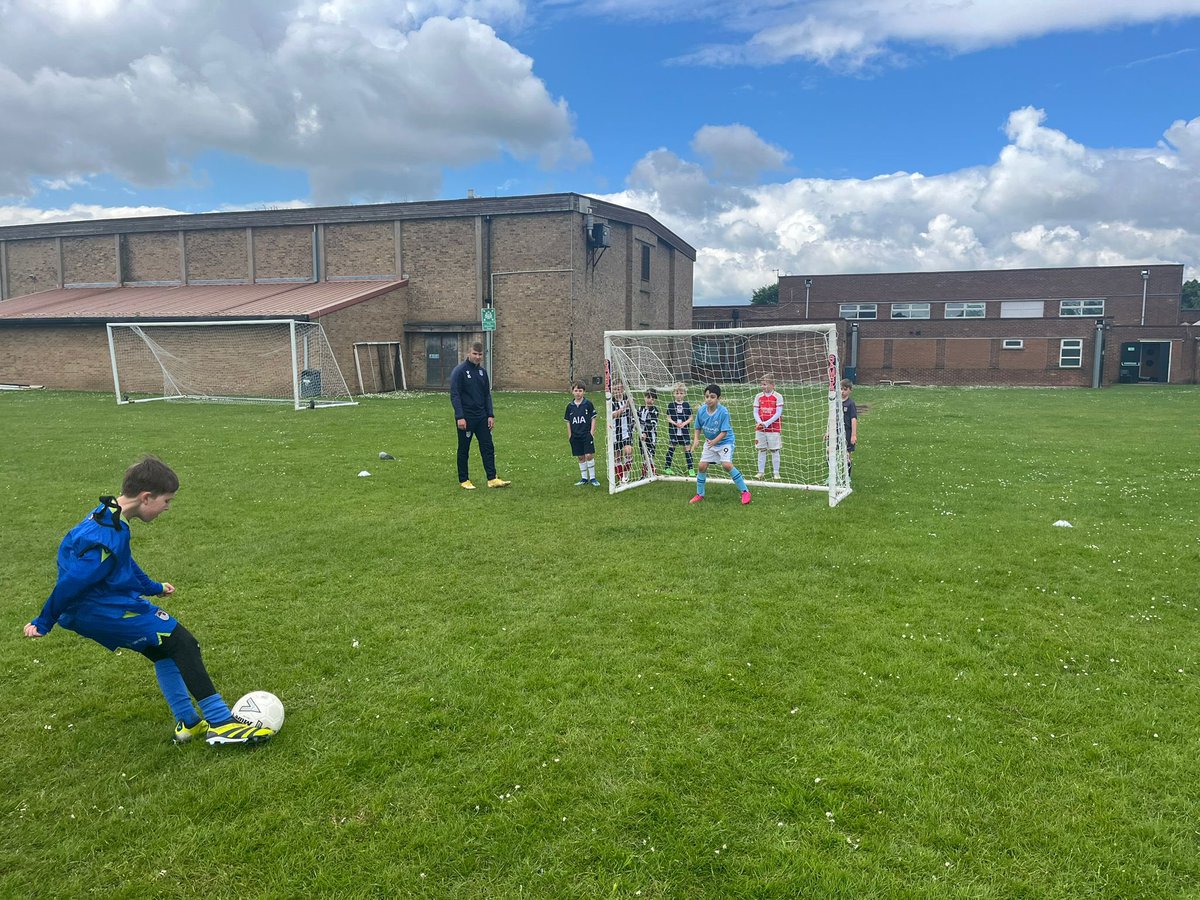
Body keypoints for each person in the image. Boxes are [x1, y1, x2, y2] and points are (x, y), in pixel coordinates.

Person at [22, 456, 273, 746]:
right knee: (182, 642)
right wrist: (44, 621)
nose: (168, 507)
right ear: (146, 497)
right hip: (99, 610)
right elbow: (73, 581)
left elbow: (123, 564)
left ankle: (190, 723)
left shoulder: (109, 513)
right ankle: (222, 723)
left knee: (163, 651)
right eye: (167, 501)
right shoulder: (108, 534)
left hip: (103, 603)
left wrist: (153, 587)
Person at [450, 342, 510, 489]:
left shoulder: (483, 372)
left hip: (482, 417)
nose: (477, 357)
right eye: (475, 354)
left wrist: (490, 415)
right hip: (466, 418)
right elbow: (455, 395)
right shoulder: (459, 371)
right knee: (464, 449)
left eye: (480, 354)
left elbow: (486, 395)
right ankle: (464, 480)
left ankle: (492, 478)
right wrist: (460, 417)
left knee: (488, 447)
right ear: (468, 353)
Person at [690, 384, 751, 505]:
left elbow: (724, 432)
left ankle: (745, 491)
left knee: (727, 465)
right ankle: (699, 494)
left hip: (724, 442)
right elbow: (697, 427)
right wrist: (696, 440)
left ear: (719, 398)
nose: (709, 399)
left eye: (712, 397)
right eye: (707, 396)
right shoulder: (702, 410)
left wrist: (714, 442)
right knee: (702, 466)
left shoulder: (723, 412)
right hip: (710, 442)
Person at [565, 381, 600, 486]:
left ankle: (593, 478)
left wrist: (591, 432)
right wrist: (570, 435)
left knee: (589, 455)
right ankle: (584, 478)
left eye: (580, 391)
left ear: (584, 392)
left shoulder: (588, 404)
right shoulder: (570, 406)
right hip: (575, 435)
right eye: (576, 390)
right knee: (580, 456)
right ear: (572, 392)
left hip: (586, 434)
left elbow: (593, 418)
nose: (578, 393)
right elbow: (568, 422)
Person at [753, 375, 784, 479]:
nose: (763, 386)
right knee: (761, 449)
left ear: (772, 385)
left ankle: (776, 473)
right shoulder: (758, 396)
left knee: (775, 450)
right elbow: (755, 412)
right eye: (762, 384)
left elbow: (778, 413)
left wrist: (766, 423)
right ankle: (760, 472)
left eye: (765, 384)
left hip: (773, 428)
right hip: (760, 427)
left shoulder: (778, 396)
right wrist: (760, 422)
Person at [663, 383, 695, 476]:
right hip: (674, 430)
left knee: (687, 448)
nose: (679, 395)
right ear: (674, 394)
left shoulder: (687, 405)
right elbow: (668, 417)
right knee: (671, 447)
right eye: (677, 393)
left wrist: (684, 423)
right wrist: (675, 423)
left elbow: (691, 417)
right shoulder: (671, 405)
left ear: (684, 394)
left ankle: (691, 469)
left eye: (681, 393)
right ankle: (667, 467)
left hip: (684, 431)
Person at [610, 381, 635, 483]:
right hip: (616, 433)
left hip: (626, 432)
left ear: (623, 390)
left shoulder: (626, 399)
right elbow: (613, 415)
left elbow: (633, 413)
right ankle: (621, 479)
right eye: (614, 389)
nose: (616, 391)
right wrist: (625, 406)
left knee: (629, 451)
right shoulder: (611, 402)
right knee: (618, 456)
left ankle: (626, 475)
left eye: (618, 389)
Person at [637, 388, 660, 478]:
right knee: (644, 455)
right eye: (648, 397)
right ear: (645, 398)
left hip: (651, 436)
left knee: (649, 454)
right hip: (641, 436)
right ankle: (652, 472)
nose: (650, 400)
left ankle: (645, 474)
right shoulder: (640, 408)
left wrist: (645, 433)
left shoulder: (655, 410)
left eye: (653, 398)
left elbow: (652, 424)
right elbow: (636, 419)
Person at [841, 378, 858, 478]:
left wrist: (853, 435)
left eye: (845, 389)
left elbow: (853, 419)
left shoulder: (850, 404)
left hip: (847, 432)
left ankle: (847, 477)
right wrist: (828, 432)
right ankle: (831, 475)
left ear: (850, 390)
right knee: (829, 452)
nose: (842, 392)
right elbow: (832, 417)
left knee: (847, 455)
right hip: (836, 431)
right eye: (841, 389)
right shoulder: (836, 402)